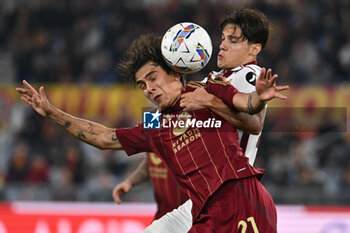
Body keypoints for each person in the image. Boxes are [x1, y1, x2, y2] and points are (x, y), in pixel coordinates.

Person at [16, 30, 288, 232]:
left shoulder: (206, 90)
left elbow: (252, 118)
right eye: (142, 85)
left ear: (174, 72)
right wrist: (52, 112)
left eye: (152, 78)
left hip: (238, 198)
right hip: (200, 208)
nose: (148, 89)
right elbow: (104, 137)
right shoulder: (156, 124)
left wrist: (259, 99)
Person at [120, 8, 271, 232]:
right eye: (222, 38)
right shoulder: (215, 79)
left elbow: (255, 124)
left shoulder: (249, 74)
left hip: (232, 191)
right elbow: (176, 110)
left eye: (233, 40)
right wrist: (147, 123)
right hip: (204, 195)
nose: (222, 45)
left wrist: (209, 102)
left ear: (254, 49)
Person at [113, 152, 189, 220]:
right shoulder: (152, 138)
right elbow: (149, 160)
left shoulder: (188, 140)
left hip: (184, 219)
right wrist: (129, 182)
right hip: (161, 216)